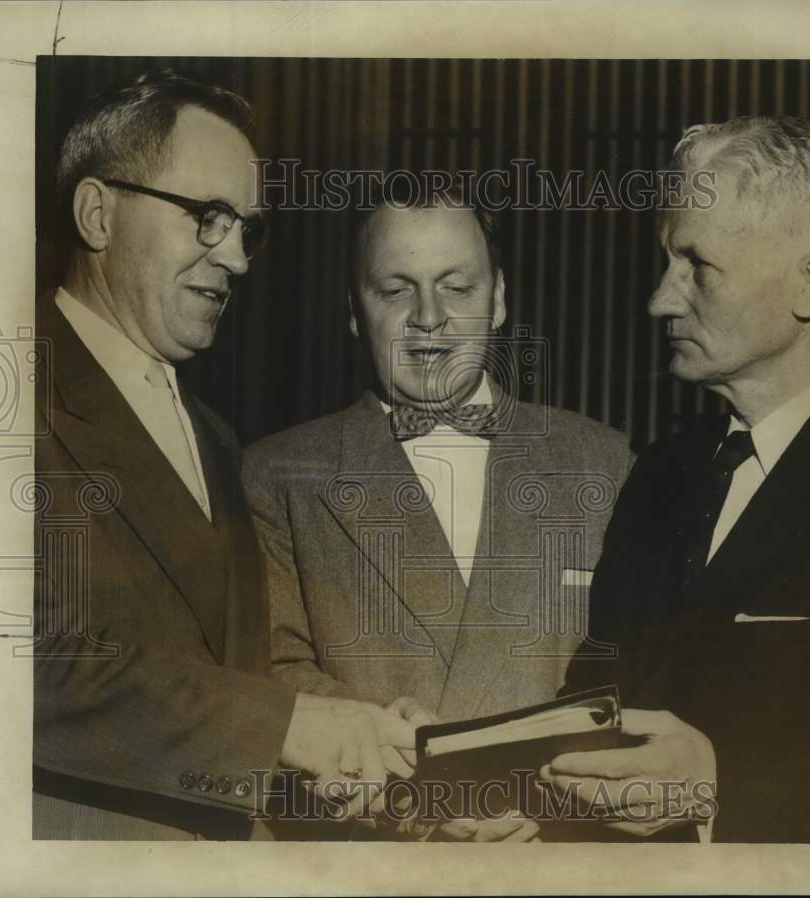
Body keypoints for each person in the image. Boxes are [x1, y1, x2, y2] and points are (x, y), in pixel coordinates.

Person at [32, 70, 416, 841]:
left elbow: (218, 668)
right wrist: (285, 726)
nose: (238, 258)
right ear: (98, 213)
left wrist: (351, 725)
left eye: (247, 228)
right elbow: (15, 665)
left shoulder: (211, 432)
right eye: (208, 217)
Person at [549, 115, 810, 843]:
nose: (660, 301)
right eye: (666, 263)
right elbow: (597, 692)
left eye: (697, 268)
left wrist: (720, 782)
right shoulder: (660, 471)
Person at [241, 186, 633, 834]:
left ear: (499, 299)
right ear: (353, 310)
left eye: (457, 286)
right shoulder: (273, 478)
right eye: (396, 290)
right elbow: (268, 675)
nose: (429, 317)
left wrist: (549, 818)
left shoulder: (605, 464)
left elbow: (636, 679)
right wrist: (413, 793)